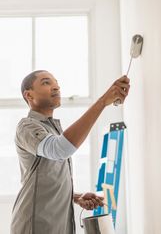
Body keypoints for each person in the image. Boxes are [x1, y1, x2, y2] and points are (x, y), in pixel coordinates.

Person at [10, 70, 130, 234]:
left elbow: (48, 177)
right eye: (46, 82)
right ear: (29, 95)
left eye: (56, 83)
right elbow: (60, 149)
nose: (56, 87)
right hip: (35, 226)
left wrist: (76, 197)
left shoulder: (52, 129)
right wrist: (102, 102)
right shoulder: (27, 127)